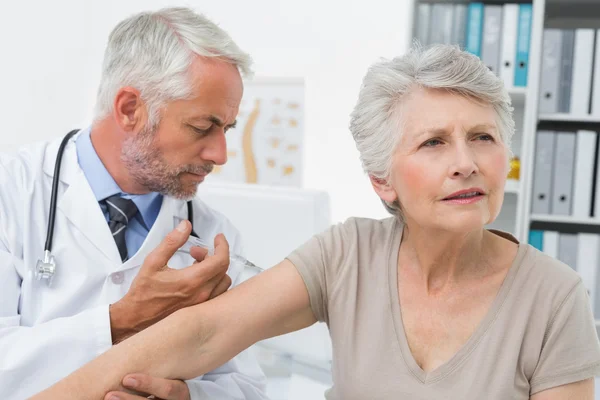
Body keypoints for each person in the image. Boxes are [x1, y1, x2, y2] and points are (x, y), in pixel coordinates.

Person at [34, 44, 600, 400]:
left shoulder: (552, 297)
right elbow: (201, 331)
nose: (466, 163)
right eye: (433, 142)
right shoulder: (349, 254)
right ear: (383, 180)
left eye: (483, 138)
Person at [0, 7, 270, 400]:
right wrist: (121, 321)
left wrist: (185, 396)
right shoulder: (13, 191)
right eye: (202, 126)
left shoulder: (215, 236)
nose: (220, 153)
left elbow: (246, 387)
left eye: (226, 129)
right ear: (129, 109)